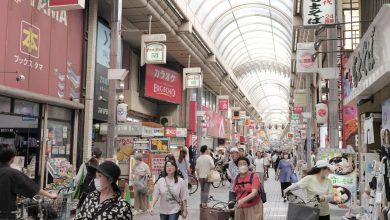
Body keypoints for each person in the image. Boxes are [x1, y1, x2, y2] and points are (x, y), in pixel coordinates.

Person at [0, 144, 57, 219]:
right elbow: (31, 187)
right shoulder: (12, 173)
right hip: (5, 215)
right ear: (12, 158)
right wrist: (50, 195)